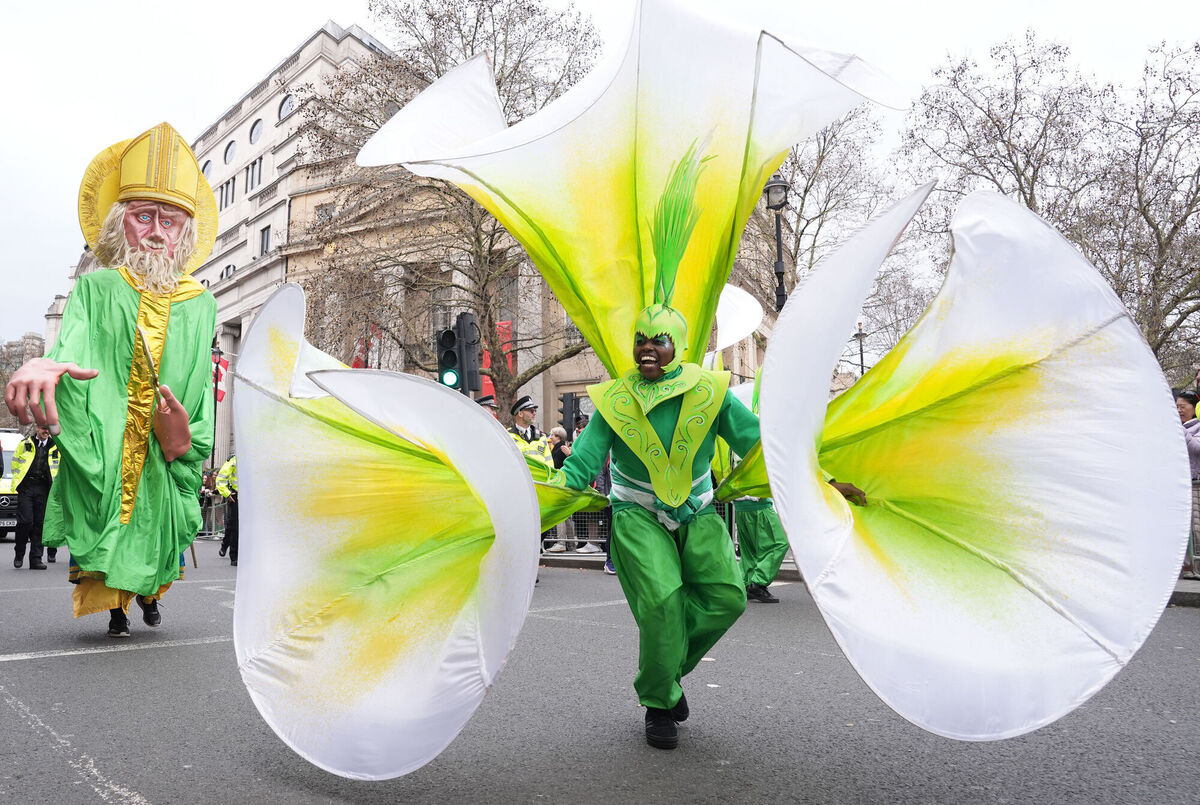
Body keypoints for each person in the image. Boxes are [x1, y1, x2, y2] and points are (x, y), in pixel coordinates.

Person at [555, 299, 862, 749]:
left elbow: (761, 446)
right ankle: (659, 703)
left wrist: (823, 480)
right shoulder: (614, 399)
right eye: (640, 339)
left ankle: (667, 673)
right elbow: (579, 466)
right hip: (636, 513)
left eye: (658, 340)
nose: (646, 348)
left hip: (697, 512)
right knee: (661, 602)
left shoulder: (710, 391)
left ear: (677, 345)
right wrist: (535, 497)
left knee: (727, 597)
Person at [4, 122, 217, 638]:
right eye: (144, 217)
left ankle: (147, 597)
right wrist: (44, 366)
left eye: (171, 221)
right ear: (120, 223)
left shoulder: (201, 303)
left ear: (186, 232)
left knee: (155, 531)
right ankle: (118, 609)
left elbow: (199, 386)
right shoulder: (96, 288)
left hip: (162, 450)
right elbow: (72, 348)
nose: (157, 232)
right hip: (108, 439)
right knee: (110, 528)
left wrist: (185, 439)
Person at [509, 396, 560, 551]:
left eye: (535, 410)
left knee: (542, 526)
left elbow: (549, 463)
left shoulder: (541, 437)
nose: (534, 413)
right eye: (530, 410)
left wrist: (551, 482)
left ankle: (531, 556)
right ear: (520, 413)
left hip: (540, 490)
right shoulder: (508, 436)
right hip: (519, 491)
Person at [11, 426, 59, 569]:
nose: (47, 431)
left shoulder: (55, 447)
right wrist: (18, 482)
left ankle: (36, 559)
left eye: (48, 429)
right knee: (25, 522)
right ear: (37, 427)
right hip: (26, 486)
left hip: (44, 488)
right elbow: (15, 464)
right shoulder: (24, 443)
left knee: (40, 525)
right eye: (44, 428)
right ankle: (19, 554)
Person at [1177, 390, 1200, 579]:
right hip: (1178, 484)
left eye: (1182, 407)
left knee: (1195, 527)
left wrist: (1181, 430)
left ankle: (1195, 566)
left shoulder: (1197, 427)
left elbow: (1197, 448)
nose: (1178, 410)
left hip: (1194, 485)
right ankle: (1184, 566)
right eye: (1176, 407)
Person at [216, 455, 239, 566]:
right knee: (235, 526)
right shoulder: (234, 460)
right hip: (236, 497)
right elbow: (221, 479)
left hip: (251, 498)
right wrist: (227, 493)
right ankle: (234, 556)